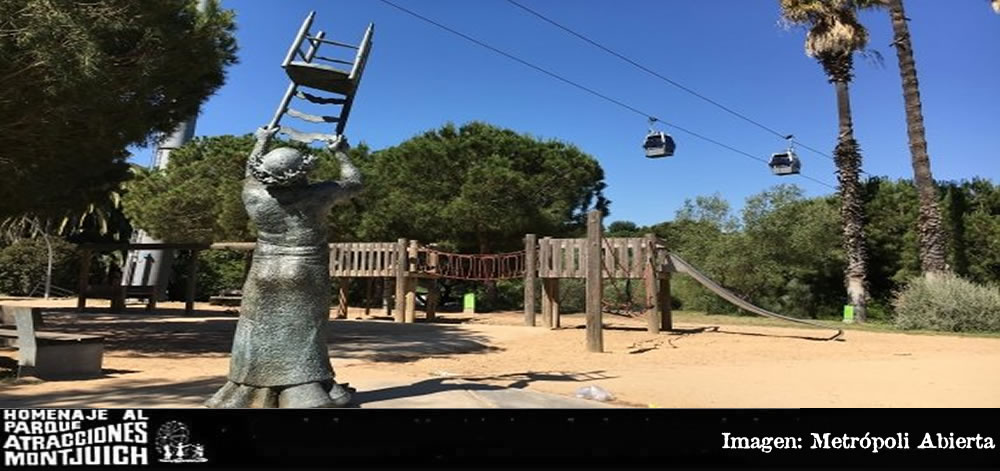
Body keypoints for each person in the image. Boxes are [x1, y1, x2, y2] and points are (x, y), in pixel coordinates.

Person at [206, 126, 362, 408]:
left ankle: (249, 392)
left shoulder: (253, 194)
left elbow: (250, 172)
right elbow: (354, 183)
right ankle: (305, 390)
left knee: (255, 330)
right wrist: (341, 153)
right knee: (306, 329)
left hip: (264, 269)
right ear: (301, 172)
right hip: (304, 267)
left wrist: (261, 141)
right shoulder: (319, 194)